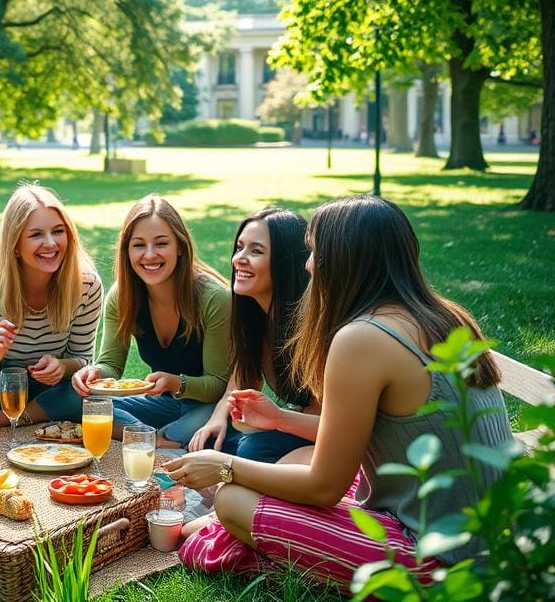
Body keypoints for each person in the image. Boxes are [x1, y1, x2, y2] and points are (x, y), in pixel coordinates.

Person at [165, 195, 513, 586]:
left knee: (231, 499)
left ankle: (261, 549)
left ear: (345, 259)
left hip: (442, 562)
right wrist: (280, 419)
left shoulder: (362, 338)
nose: (308, 264)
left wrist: (223, 466)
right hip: (495, 539)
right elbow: (370, 436)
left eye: (315, 252)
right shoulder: (441, 314)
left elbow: (325, 487)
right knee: (294, 458)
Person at [72, 195, 231, 447]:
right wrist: (94, 372)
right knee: (86, 402)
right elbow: (111, 365)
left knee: (214, 413)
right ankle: (162, 439)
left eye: (161, 243)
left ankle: (151, 438)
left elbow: (218, 385)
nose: (149, 255)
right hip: (164, 405)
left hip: (210, 407)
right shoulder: (122, 296)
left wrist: (177, 383)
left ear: (180, 246)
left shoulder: (214, 298)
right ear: (127, 250)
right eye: (138, 245)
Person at [187, 208, 318, 464]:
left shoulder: (311, 327)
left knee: (251, 449)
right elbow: (238, 386)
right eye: (240, 247)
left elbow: (336, 428)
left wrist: (278, 418)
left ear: (285, 261)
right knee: (216, 441)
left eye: (256, 251)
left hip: (334, 442)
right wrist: (216, 420)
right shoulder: (256, 318)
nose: (239, 259)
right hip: (293, 425)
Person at [0, 184, 102, 424]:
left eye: (58, 231)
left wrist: (61, 366)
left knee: (87, 391)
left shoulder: (86, 285)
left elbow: (83, 359)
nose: (50, 243)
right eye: (36, 234)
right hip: (1, 389)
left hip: (54, 390)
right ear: (15, 244)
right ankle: (18, 415)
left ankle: (16, 419)